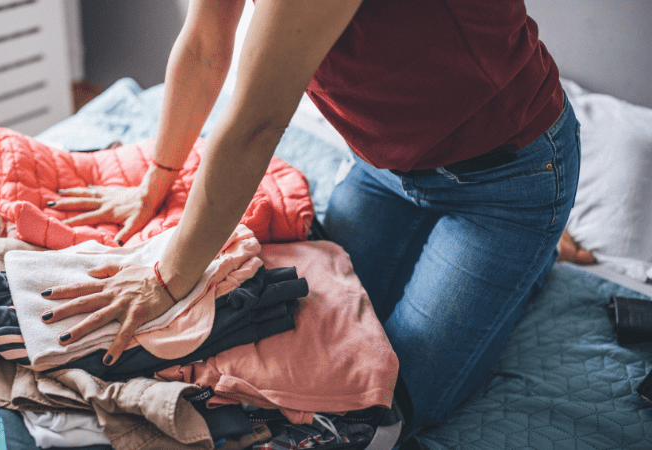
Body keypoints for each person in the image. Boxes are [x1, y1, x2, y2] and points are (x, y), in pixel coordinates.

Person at [38, 0, 581, 431]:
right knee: (309, 328)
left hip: (503, 180)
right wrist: (157, 178)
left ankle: (533, 255)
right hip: (382, 168)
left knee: (391, 402)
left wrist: (163, 281)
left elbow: (257, 121)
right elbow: (205, 45)